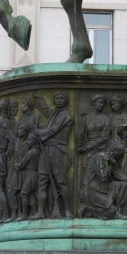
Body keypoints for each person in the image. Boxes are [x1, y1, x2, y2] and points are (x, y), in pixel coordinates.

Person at [32, 91, 74, 219]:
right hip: (47, 149)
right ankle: (41, 211)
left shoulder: (66, 115)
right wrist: (40, 98)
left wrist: (39, 132)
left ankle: (67, 210)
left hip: (58, 150)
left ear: (66, 101)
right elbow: (46, 111)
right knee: (42, 180)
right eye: (57, 98)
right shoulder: (54, 114)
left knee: (61, 181)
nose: (59, 100)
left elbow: (53, 129)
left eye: (62, 98)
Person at [80, 140, 127, 219]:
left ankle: (117, 210)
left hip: (104, 188)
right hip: (92, 191)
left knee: (123, 185)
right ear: (113, 151)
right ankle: (89, 209)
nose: (118, 157)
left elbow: (117, 173)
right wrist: (111, 166)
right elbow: (102, 176)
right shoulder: (99, 158)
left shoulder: (111, 159)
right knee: (111, 211)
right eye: (118, 155)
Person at [14, 126, 40, 221]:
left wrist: (17, 166)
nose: (27, 141)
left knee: (24, 193)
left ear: (34, 141)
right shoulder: (38, 151)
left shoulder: (31, 152)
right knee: (32, 193)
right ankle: (34, 211)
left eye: (29, 140)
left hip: (30, 174)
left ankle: (25, 214)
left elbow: (22, 164)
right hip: (36, 174)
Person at [77, 94, 110, 171]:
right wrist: (80, 146)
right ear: (94, 103)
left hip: (100, 148)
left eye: (103, 103)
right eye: (100, 102)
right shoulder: (86, 117)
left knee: (99, 170)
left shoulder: (106, 118)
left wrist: (92, 146)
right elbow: (81, 132)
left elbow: (104, 137)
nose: (102, 105)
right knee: (87, 171)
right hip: (88, 149)